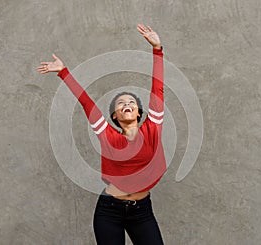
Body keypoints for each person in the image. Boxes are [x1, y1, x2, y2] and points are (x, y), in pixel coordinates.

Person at [37, 24, 166, 245]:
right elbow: (87, 103)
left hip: (142, 212)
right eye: (121, 103)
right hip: (110, 212)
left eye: (131, 102)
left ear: (139, 112)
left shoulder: (152, 127)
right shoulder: (108, 136)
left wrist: (157, 49)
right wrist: (63, 72)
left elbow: (158, 88)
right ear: (114, 116)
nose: (127, 104)